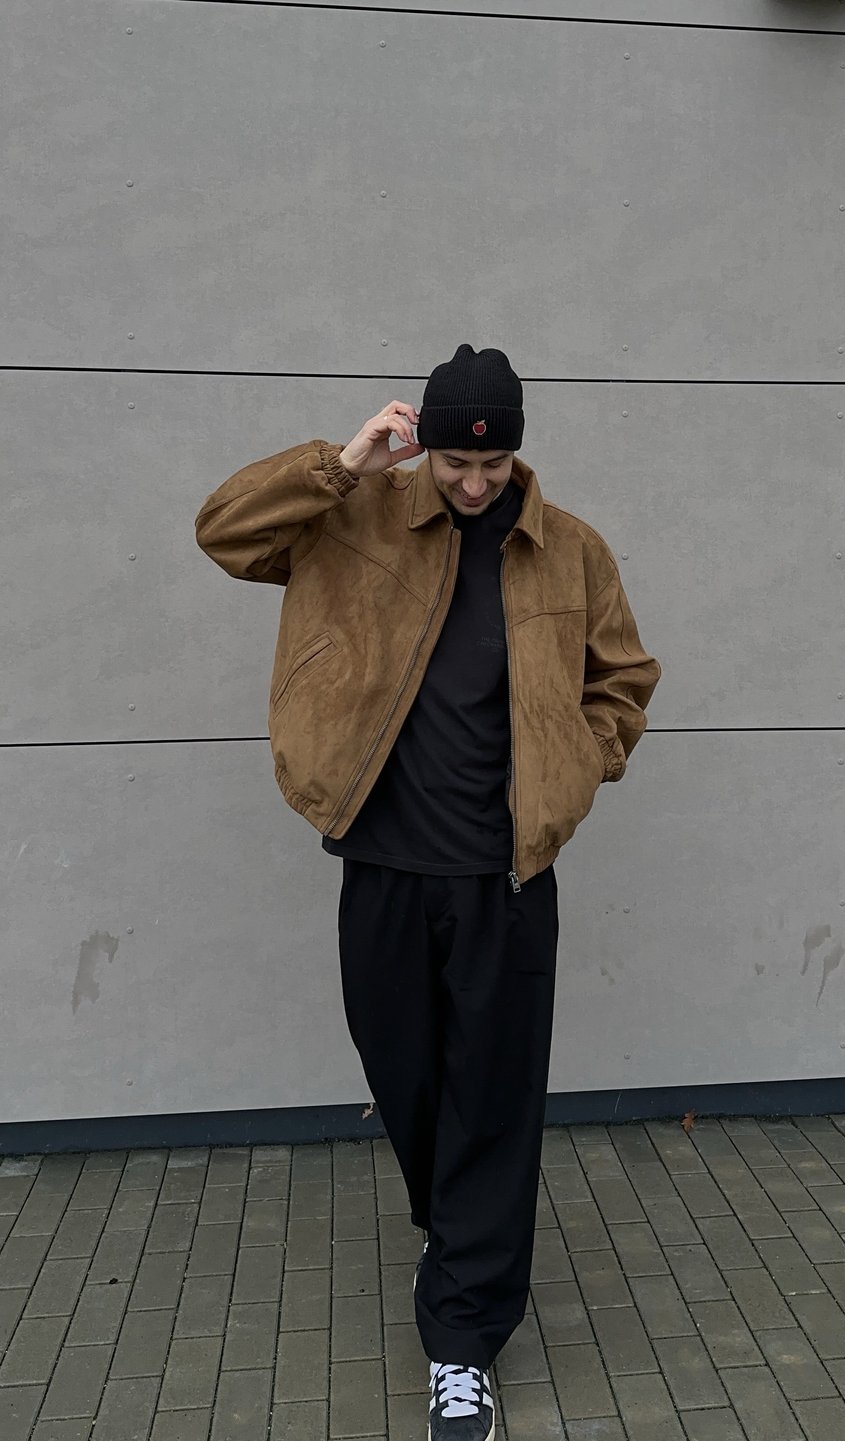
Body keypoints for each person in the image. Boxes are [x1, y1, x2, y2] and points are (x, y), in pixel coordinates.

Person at [194, 344, 660, 1441]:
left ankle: (462, 1335)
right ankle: (456, 1231)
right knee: (406, 1077)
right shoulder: (356, 518)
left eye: (490, 467)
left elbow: (623, 679)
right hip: (386, 864)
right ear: (425, 443)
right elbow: (226, 534)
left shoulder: (569, 551)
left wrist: (579, 765)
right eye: (453, 460)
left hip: (506, 876)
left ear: (515, 454)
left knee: (492, 1100)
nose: (471, 484)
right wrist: (340, 463)